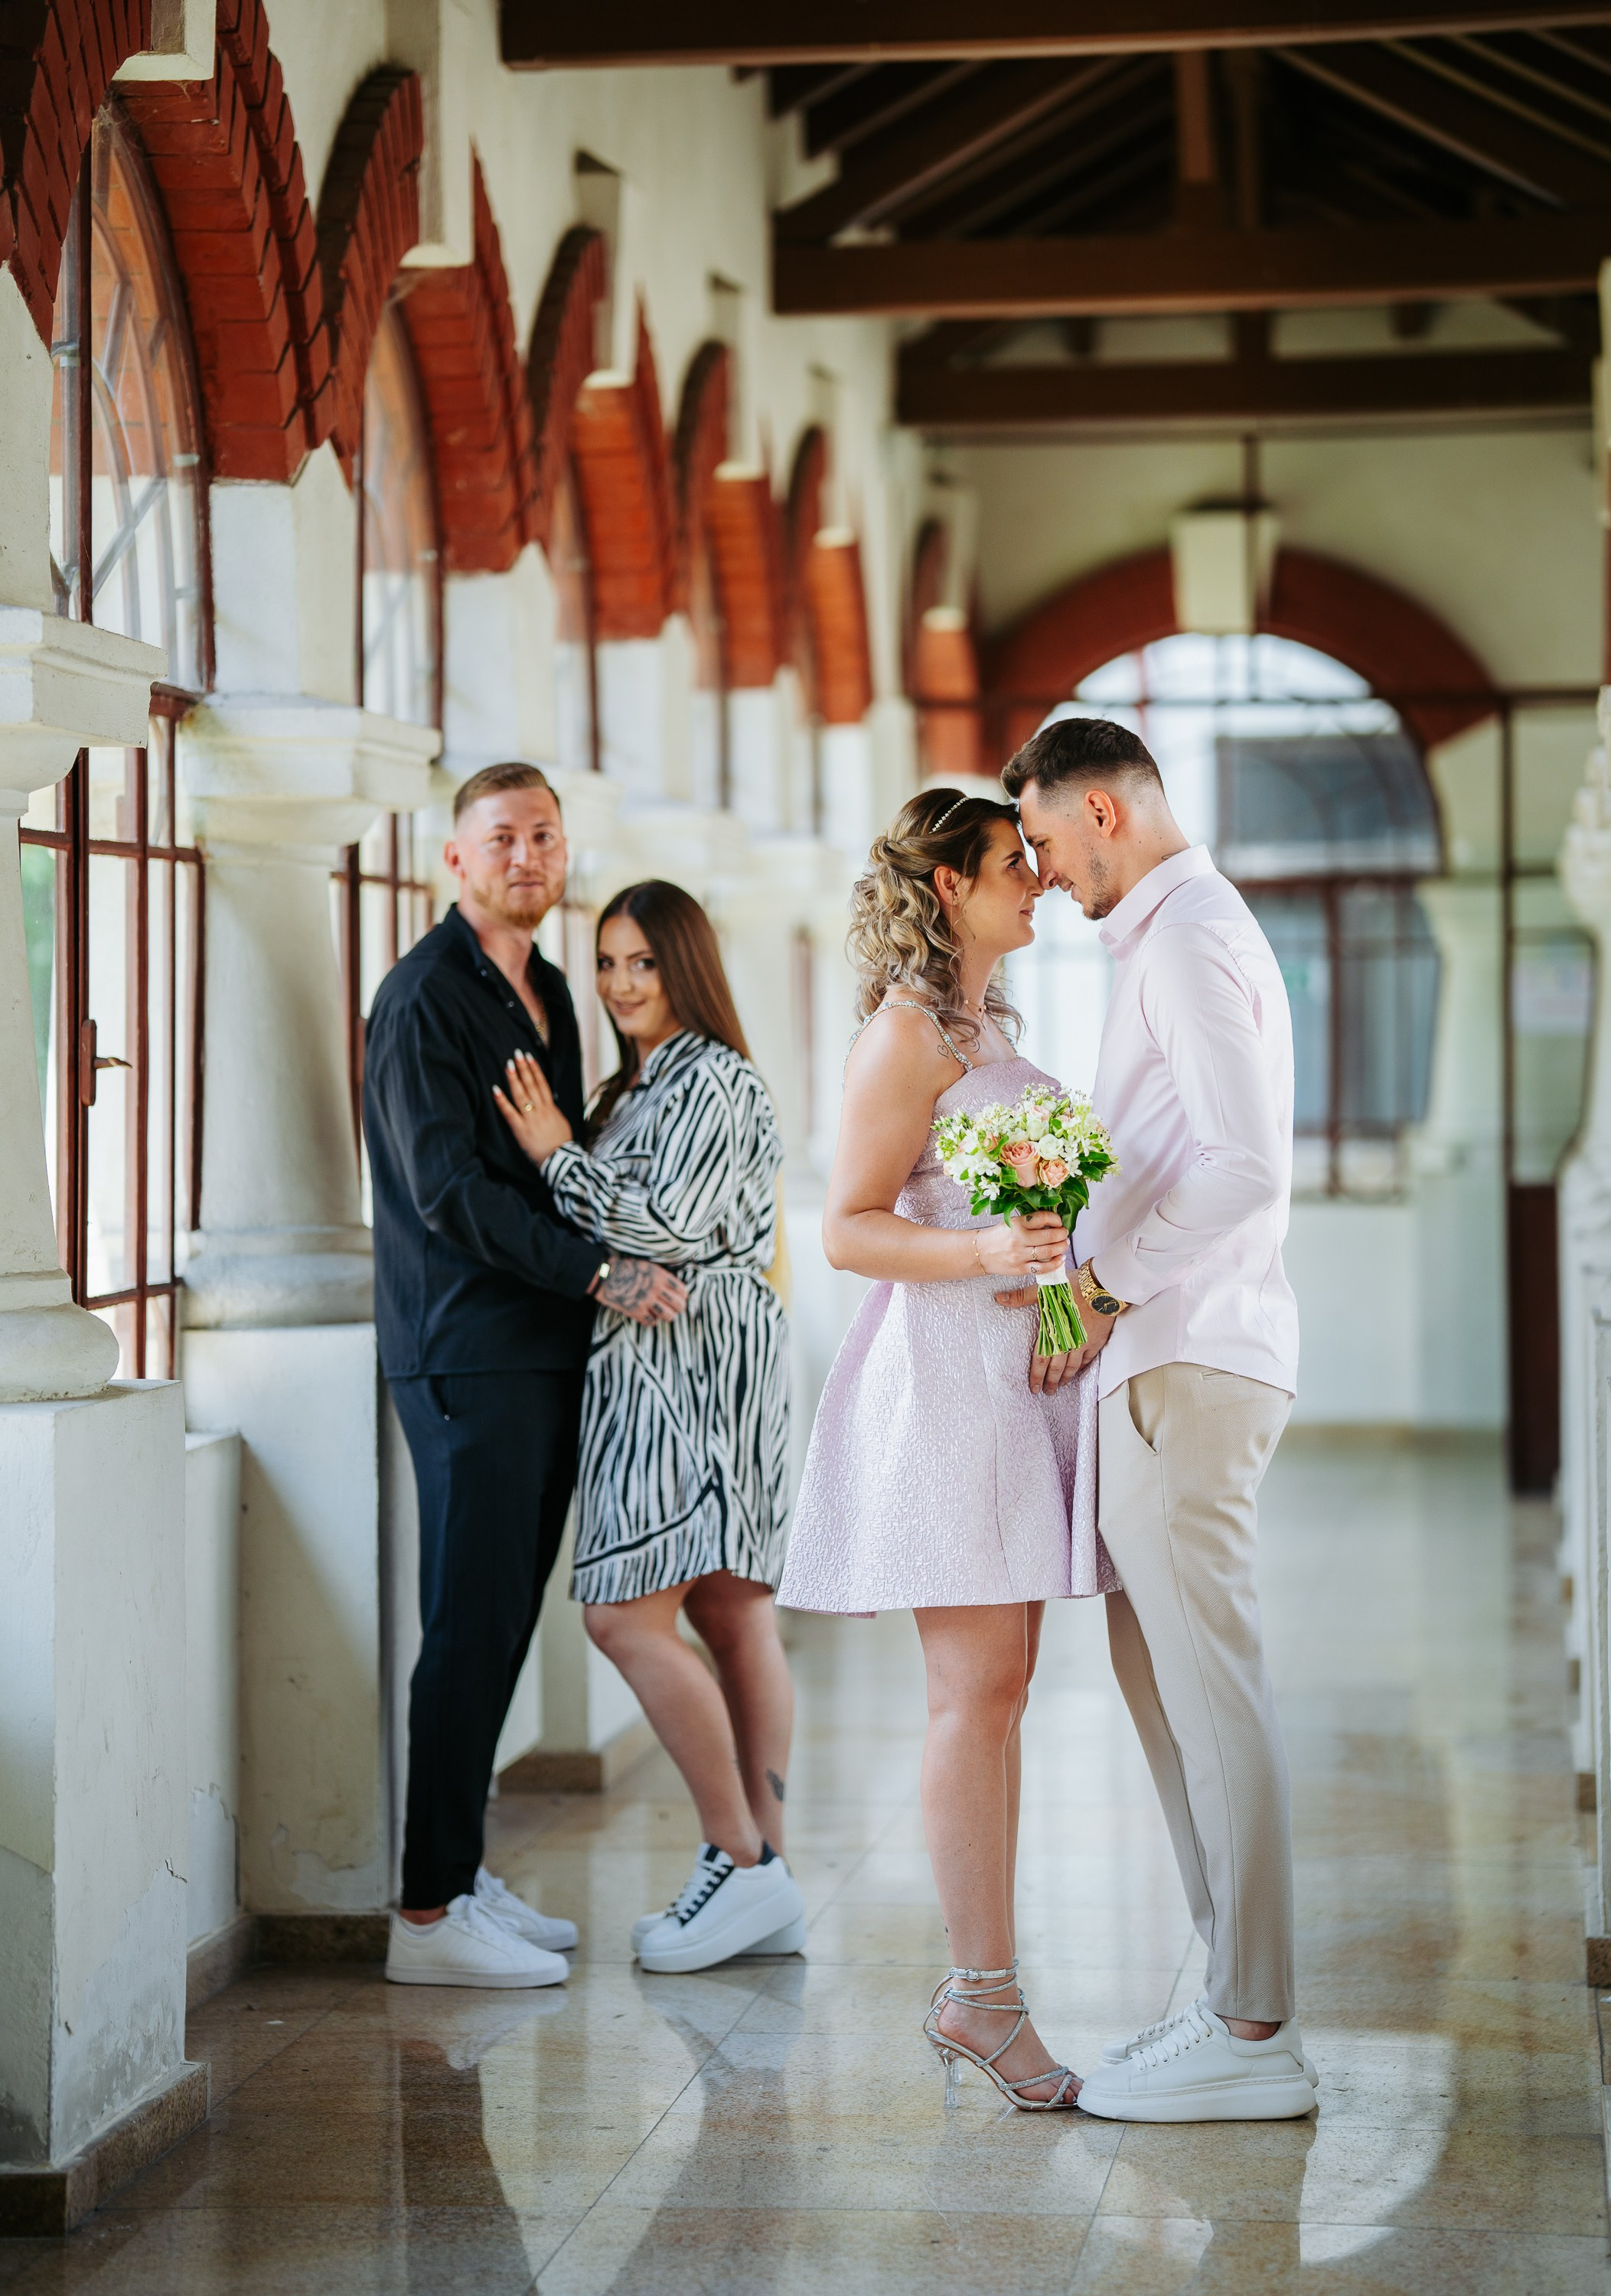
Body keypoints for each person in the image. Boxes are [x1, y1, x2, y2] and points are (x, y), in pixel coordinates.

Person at [777, 788, 1116, 2111]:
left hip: (1013, 1381)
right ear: (947, 891)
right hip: (943, 1386)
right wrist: (986, 1255)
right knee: (971, 1695)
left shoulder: (989, 1025)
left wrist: (1069, 1288)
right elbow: (849, 1228)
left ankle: (985, 1987)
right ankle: (980, 1998)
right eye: (1010, 866)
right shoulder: (906, 1037)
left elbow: (1043, 1220)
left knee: (1002, 1687)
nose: (1035, 880)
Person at [1004, 714, 1316, 2122]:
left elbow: (1244, 1167)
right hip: (1167, 1358)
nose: (1041, 869)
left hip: (1187, 1358)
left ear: (1103, 813)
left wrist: (1105, 1290)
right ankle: (1223, 1993)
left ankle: (1255, 2032)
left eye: (1045, 839)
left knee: (1209, 1691)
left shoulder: (1188, 934)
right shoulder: (1171, 937)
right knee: (1167, 1699)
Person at [364, 764, 688, 1989]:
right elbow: (448, 1195)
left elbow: (559, 1161)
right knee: (466, 1627)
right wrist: (599, 1270)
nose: (525, 854)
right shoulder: (419, 999)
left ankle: (459, 1869)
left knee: (500, 1621)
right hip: (465, 1350)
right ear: (453, 859)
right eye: (500, 836)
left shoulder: (551, 987)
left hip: (541, 1344)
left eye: (544, 835)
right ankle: (426, 1916)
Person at [494, 879, 806, 1973]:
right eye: (610, 963)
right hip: (676, 1353)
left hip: (698, 1360)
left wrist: (551, 1154)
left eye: (645, 963)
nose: (623, 985)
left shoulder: (714, 1080)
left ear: (687, 967)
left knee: (628, 1618)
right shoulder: (638, 1086)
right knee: (725, 1610)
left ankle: (744, 1859)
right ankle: (760, 1872)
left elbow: (666, 1228)